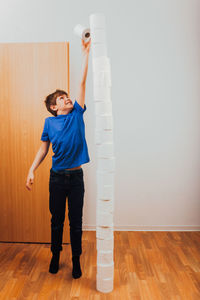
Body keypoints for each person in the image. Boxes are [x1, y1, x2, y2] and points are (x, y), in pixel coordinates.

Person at [26, 39, 91, 279]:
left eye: (67, 97)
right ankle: (55, 255)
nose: (67, 99)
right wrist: (31, 170)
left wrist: (86, 54)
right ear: (54, 107)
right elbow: (43, 149)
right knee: (57, 221)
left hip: (76, 178)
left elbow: (82, 82)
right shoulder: (49, 123)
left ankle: (76, 260)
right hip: (56, 179)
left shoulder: (76, 115)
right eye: (62, 98)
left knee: (76, 222)